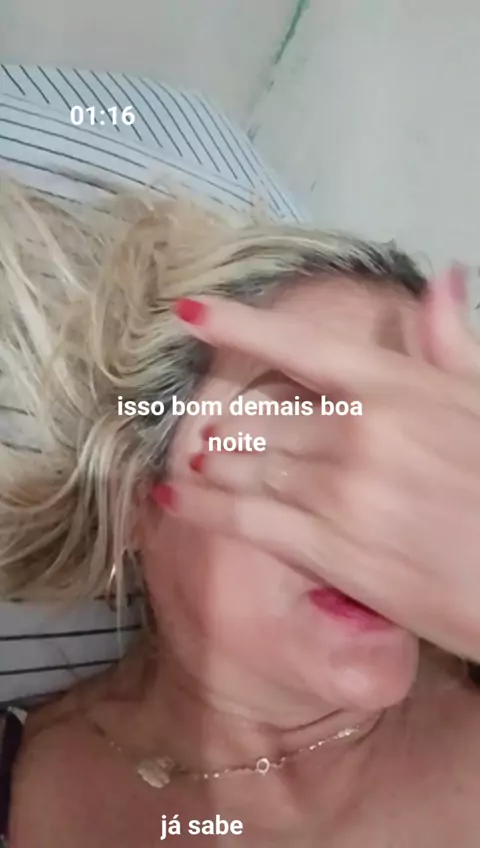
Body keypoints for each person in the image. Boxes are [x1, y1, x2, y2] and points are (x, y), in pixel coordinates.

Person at [2, 179, 480, 847]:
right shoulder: (28, 785)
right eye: (300, 416)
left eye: (419, 451)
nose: (376, 504)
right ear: (138, 491)